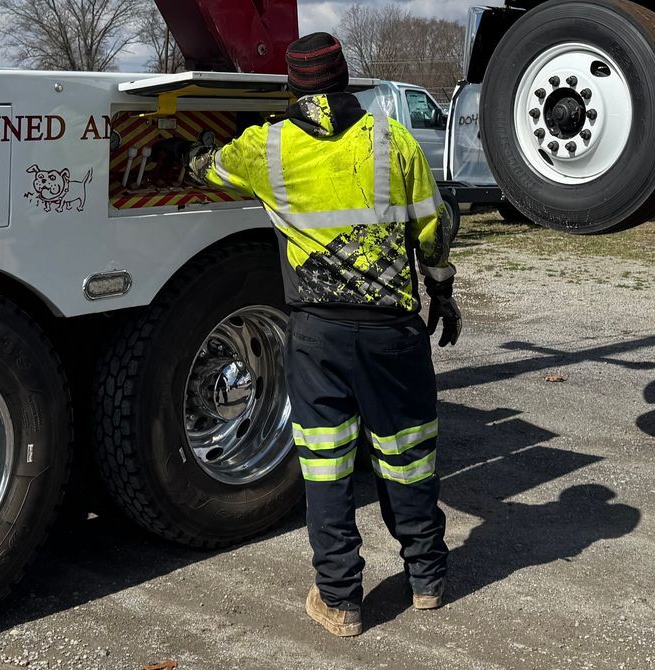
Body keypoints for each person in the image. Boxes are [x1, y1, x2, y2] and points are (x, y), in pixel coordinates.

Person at [190, 32, 461, 638]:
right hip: (394, 333)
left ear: (292, 85)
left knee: (326, 466)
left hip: (319, 336)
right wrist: (440, 289)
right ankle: (427, 580)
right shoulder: (394, 142)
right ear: (347, 80)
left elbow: (206, 170)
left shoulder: (269, 148)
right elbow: (434, 230)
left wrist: (204, 147)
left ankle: (339, 602)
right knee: (409, 457)